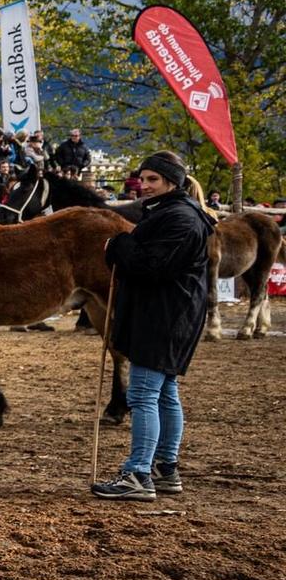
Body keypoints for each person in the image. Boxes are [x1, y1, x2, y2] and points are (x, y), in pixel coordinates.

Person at [92, 152, 214, 502]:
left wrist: (118, 245)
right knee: (164, 393)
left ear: (172, 182)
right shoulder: (173, 213)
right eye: (142, 179)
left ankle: (138, 473)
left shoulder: (180, 219)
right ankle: (164, 468)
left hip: (164, 316)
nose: (143, 186)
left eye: (152, 180)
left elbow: (152, 267)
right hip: (171, 313)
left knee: (143, 394)